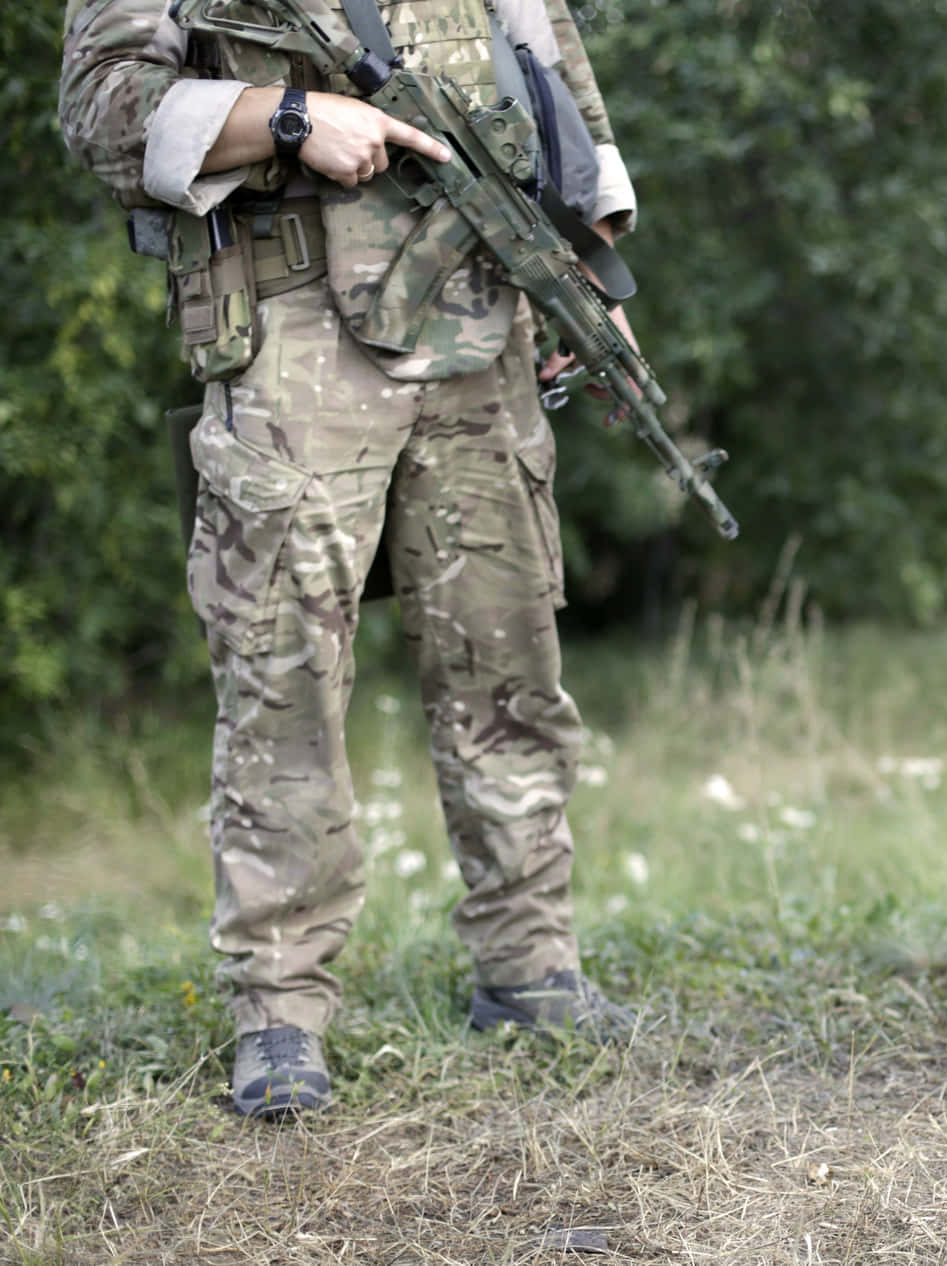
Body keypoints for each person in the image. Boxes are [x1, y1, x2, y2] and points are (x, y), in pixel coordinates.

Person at [59, 0, 645, 1117]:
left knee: (508, 661)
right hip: (292, 334)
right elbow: (99, 110)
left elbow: (548, 70)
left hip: (484, 327)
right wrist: (286, 117)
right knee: (283, 678)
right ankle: (280, 1013)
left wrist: (592, 270)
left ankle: (531, 967)